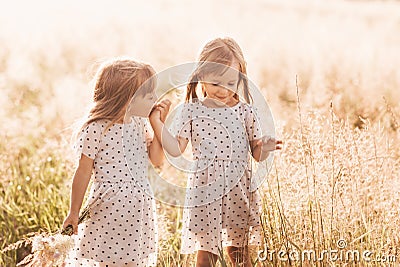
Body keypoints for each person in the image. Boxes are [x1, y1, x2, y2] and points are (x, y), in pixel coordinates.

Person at [149, 37, 282, 266]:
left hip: (238, 191)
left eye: (231, 84)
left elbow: (257, 154)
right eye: (215, 84)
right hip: (204, 192)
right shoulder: (190, 111)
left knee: (239, 254)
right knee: (206, 256)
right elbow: (176, 150)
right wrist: (157, 124)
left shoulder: (246, 112)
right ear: (201, 76)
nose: (223, 91)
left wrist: (266, 148)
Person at [63, 58, 165, 267]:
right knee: (106, 259)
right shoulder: (96, 129)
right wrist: (74, 212)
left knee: (133, 260)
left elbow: (157, 160)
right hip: (108, 208)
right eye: (148, 94)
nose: (155, 98)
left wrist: (156, 123)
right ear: (126, 98)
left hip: (138, 209)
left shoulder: (140, 123)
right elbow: (83, 172)